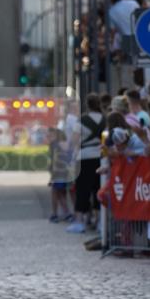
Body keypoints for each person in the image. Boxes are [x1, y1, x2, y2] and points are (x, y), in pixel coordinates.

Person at [66, 93, 105, 234]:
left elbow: (74, 141)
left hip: (84, 158)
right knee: (98, 189)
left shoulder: (81, 120)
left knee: (82, 190)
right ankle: (100, 221)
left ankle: (79, 221)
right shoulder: (105, 119)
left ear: (87, 105)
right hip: (101, 158)